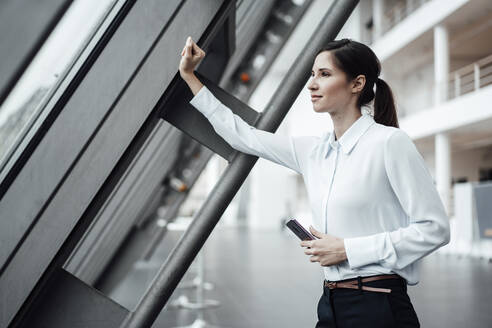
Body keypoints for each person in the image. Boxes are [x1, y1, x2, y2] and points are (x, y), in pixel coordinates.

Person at [178, 36, 450, 328]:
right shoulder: (313, 151)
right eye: (312, 74)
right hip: (331, 303)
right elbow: (242, 136)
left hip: (378, 304)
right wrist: (190, 78)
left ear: (357, 84)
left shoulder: (389, 143)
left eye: (324, 74)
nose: (311, 84)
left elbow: (435, 229)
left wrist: (347, 249)